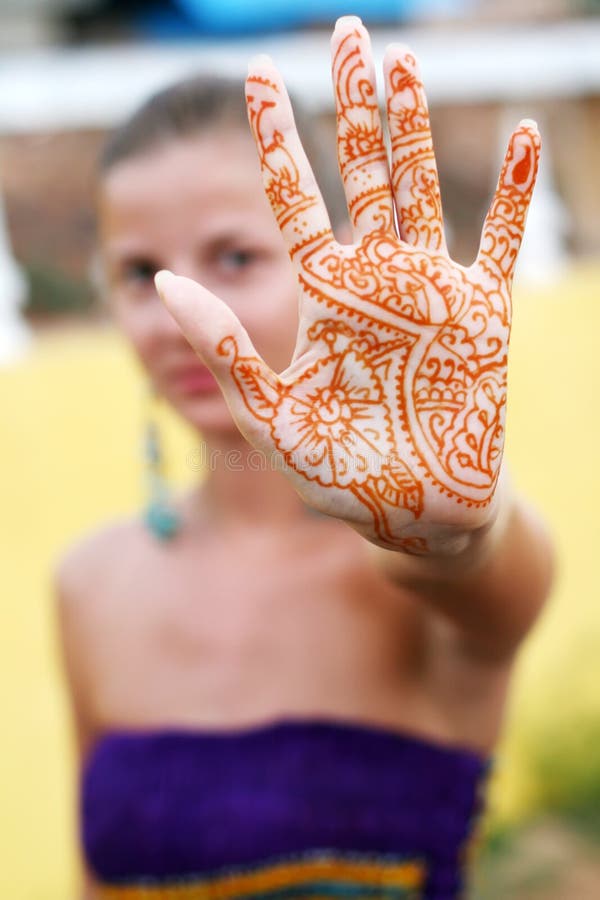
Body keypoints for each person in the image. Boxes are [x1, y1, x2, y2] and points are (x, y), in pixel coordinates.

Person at [56, 15, 554, 900]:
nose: (184, 309)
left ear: (336, 265)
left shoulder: (406, 564)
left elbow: (483, 568)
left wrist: (452, 528)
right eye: (140, 273)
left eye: (236, 256)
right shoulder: (88, 586)